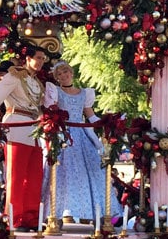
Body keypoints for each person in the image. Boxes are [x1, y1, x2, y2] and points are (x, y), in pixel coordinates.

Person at [41, 61, 121, 222]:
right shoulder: (55, 92)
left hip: (82, 136)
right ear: (56, 78)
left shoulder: (84, 93)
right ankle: (65, 211)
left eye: (66, 72)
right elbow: (49, 111)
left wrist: (108, 122)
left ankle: (89, 212)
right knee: (65, 173)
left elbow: (91, 116)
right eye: (60, 74)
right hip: (64, 136)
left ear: (71, 73)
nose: (64, 76)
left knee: (89, 172)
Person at [0, 46, 47, 229]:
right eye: (37, 57)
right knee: (16, 175)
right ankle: (13, 218)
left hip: (33, 128)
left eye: (43, 59)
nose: (40, 62)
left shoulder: (37, 83)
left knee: (34, 175)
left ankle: (31, 218)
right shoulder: (14, 75)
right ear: (28, 59)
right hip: (15, 124)